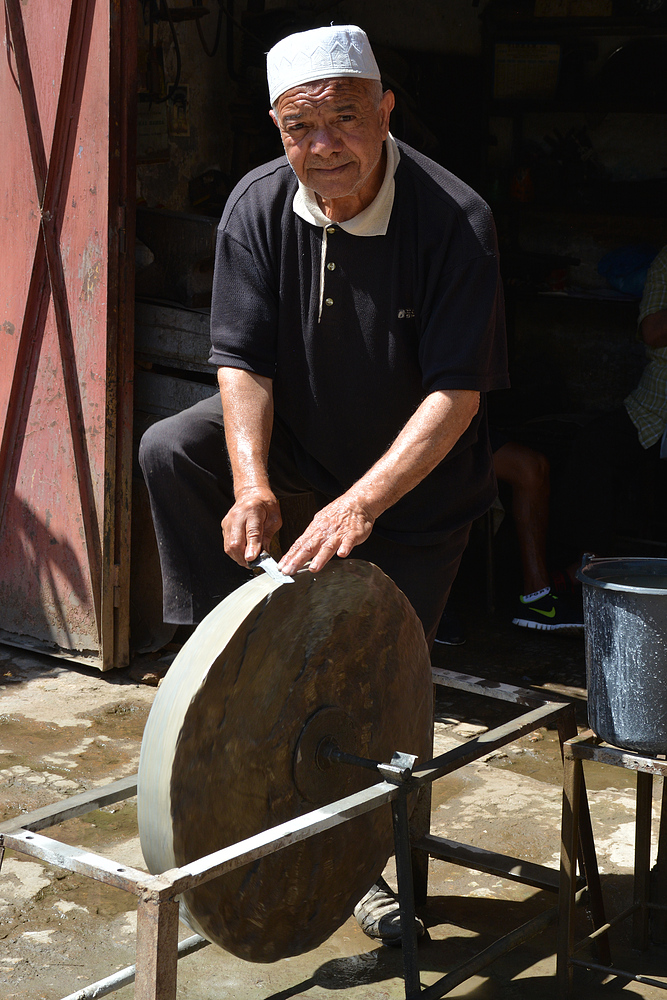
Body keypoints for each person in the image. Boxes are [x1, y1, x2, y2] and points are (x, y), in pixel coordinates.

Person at [139, 24, 508, 944]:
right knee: (173, 452)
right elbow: (241, 362)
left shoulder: (454, 219)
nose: (324, 147)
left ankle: (371, 873)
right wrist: (254, 483)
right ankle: (216, 672)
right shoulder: (257, 207)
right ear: (277, 130)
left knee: (376, 691)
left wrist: (360, 505)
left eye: (345, 119)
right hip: (307, 450)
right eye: (301, 129)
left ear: (384, 111)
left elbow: (455, 393)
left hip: (415, 492)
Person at [554, 244, 667, 568]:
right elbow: (652, 331)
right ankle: (590, 566)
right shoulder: (665, 261)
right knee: (592, 446)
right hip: (655, 405)